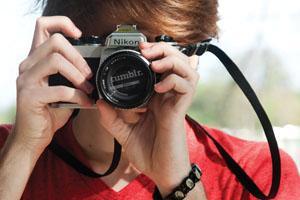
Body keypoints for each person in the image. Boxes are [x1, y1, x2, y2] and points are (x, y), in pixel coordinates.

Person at [0, 0, 299, 199]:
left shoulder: (256, 173)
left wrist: (179, 181)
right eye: (115, 52)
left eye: (161, 51)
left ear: (194, 53)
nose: (138, 72)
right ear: (67, 46)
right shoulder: (10, 153)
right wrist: (23, 149)